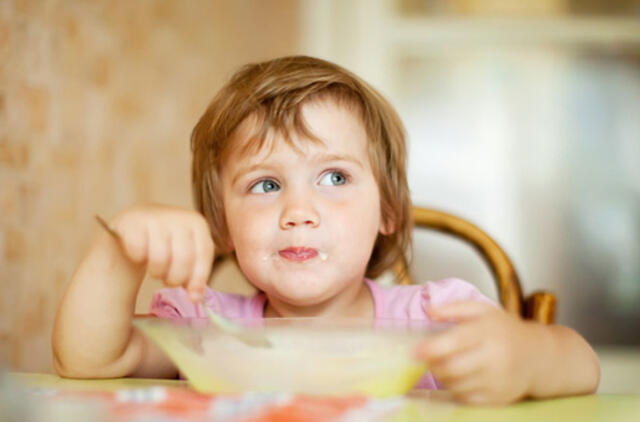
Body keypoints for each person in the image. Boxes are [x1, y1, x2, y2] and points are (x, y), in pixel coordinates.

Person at [52, 55, 600, 405]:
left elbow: (582, 363)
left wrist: (526, 359)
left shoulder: (435, 321)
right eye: (266, 185)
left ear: (387, 211)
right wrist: (119, 247)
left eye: (334, 177)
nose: (299, 211)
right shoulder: (205, 330)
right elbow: (89, 361)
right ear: (221, 224)